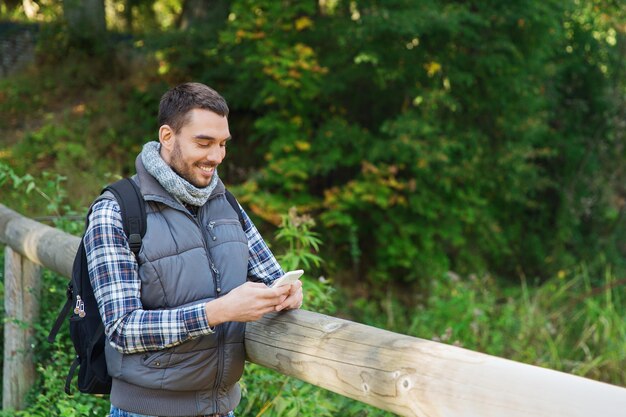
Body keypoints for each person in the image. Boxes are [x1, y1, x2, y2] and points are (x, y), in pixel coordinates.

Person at [84, 82, 303, 417]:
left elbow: (271, 275)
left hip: (222, 408)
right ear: (168, 137)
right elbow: (123, 329)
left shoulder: (225, 202)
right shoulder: (116, 210)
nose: (216, 156)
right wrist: (218, 311)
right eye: (204, 143)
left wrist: (286, 294)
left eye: (222, 144)